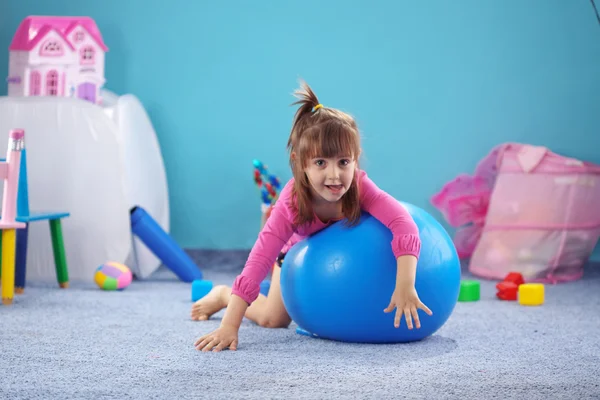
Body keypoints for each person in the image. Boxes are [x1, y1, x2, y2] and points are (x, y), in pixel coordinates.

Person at [192, 81, 432, 352]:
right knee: (273, 319)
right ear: (300, 163)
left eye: (343, 162)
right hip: (295, 256)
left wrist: (405, 285)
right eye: (320, 163)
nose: (334, 175)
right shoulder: (292, 204)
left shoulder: (361, 188)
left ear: (356, 158)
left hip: (344, 268)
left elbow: (404, 225)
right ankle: (224, 295)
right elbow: (259, 259)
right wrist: (229, 326)